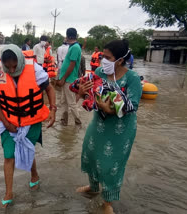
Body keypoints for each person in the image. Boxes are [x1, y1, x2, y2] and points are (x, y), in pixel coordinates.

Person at [75, 40, 142, 214]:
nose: (103, 60)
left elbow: (132, 106)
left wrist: (110, 109)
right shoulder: (99, 72)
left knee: (111, 165)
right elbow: (90, 99)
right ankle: (93, 187)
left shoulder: (132, 78)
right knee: (90, 154)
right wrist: (82, 93)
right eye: (103, 56)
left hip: (121, 129)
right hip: (99, 124)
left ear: (119, 60)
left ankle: (107, 201)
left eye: (107, 57)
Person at [0, 44, 56, 208]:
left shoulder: (35, 70)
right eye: (7, 66)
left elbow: (50, 89)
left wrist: (53, 110)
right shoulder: (0, 73)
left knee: (28, 148)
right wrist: (5, 122)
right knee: (9, 156)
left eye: (14, 65)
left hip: (31, 122)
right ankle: (8, 193)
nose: (11, 70)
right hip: (8, 123)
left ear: (20, 60)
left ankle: (34, 175)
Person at [56, 28, 82, 126]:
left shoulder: (75, 47)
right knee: (63, 101)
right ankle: (64, 121)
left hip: (69, 79)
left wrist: (63, 78)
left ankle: (78, 122)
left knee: (71, 102)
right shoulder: (72, 47)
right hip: (66, 78)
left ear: (68, 36)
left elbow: (72, 64)